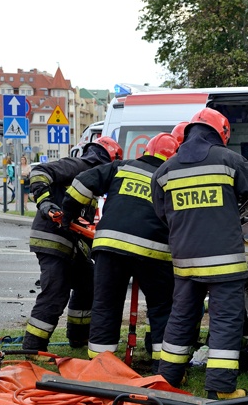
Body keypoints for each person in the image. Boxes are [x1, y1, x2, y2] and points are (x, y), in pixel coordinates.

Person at [151, 108, 248, 397]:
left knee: (181, 317)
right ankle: (220, 387)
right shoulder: (228, 160)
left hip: (185, 260)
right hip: (224, 261)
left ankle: (167, 379)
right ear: (221, 133)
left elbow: (162, 213)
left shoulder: (165, 171)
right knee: (225, 320)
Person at [61, 132, 179, 365]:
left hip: (110, 247)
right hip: (153, 252)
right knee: (161, 307)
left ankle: (101, 364)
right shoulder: (171, 179)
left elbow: (81, 184)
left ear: (146, 151)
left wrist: (68, 215)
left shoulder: (121, 168)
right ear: (172, 158)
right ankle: (163, 365)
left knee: (106, 304)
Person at [22, 137, 123, 351]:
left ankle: (79, 338)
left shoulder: (92, 182)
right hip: (52, 239)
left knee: (88, 285)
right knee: (56, 291)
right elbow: (39, 171)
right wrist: (46, 202)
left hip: (72, 246)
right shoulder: (80, 166)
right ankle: (33, 347)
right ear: (107, 161)